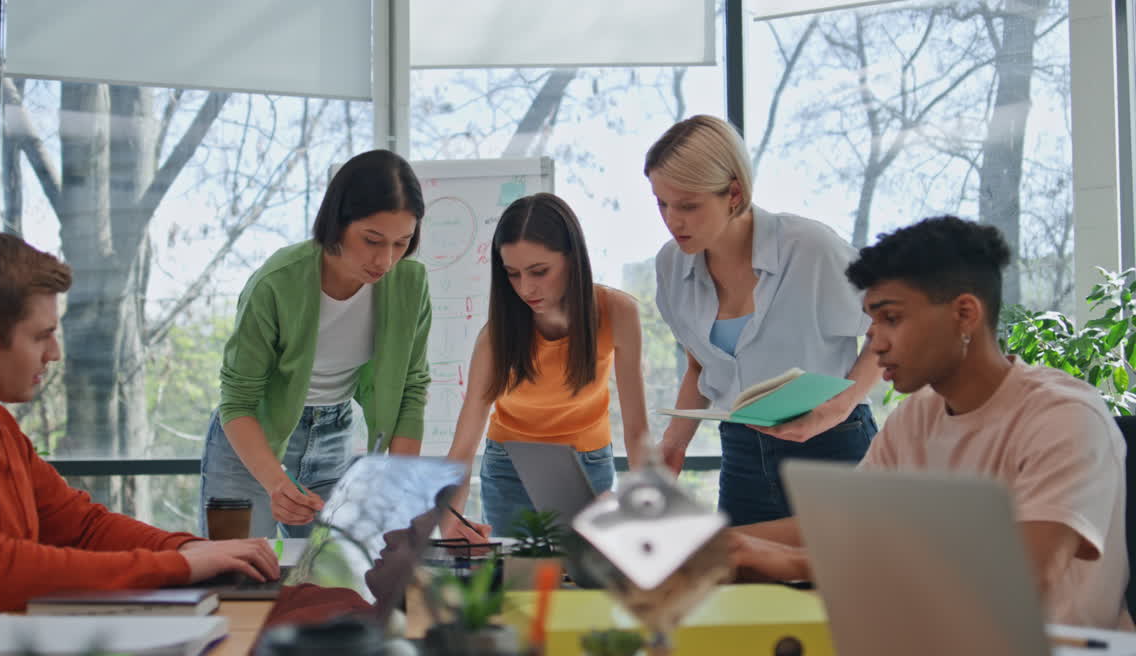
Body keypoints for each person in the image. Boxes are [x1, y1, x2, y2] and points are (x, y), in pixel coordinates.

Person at [0, 231, 279, 656]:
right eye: (41, 336)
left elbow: (81, 527)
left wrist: (188, 549)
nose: (54, 353)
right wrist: (181, 566)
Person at [737, 216, 1130, 629]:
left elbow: (1023, 580)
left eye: (891, 319)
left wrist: (794, 563)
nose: (876, 342)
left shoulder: (1064, 418)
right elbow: (842, 525)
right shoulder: (915, 417)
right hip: (945, 654)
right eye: (872, 323)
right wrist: (722, 544)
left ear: (964, 314)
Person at [647, 115, 881, 525]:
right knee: (742, 583)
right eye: (662, 203)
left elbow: (896, 325)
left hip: (833, 448)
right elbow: (702, 363)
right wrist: (672, 446)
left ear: (733, 193)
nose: (672, 220)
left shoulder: (810, 248)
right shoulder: (671, 265)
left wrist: (838, 408)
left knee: (841, 583)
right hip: (742, 455)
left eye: (688, 205)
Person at [202, 149, 432, 539]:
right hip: (249, 444)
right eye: (372, 240)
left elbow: (412, 388)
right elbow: (238, 400)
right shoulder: (277, 281)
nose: (386, 260)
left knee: (334, 581)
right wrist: (275, 482)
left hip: (334, 438)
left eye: (401, 242)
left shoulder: (410, 283)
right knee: (235, 576)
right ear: (337, 223)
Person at [443, 193, 648, 537]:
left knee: (585, 580)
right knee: (517, 578)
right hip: (510, 465)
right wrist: (448, 519)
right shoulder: (494, 337)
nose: (526, 288)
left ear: (572, 258)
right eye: (513, 274)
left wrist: (642, 503)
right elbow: (463, 447)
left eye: (539, 271)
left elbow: (638, 430)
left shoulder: (619, 312)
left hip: (588, 463)